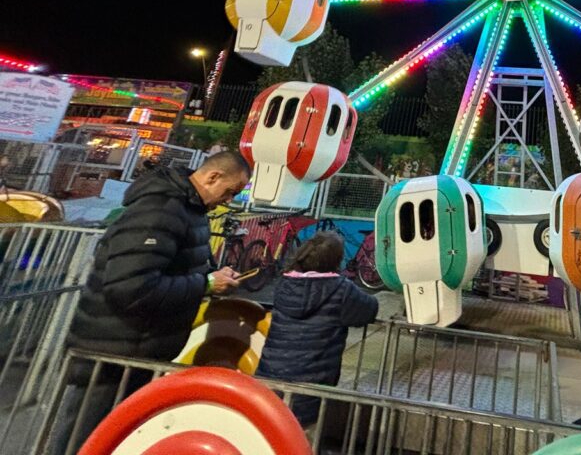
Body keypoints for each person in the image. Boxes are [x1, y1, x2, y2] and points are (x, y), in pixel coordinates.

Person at [48, 151, 251, 453]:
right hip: (113, 353)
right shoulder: (161, 210)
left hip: (138, 350)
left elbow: (172, 267)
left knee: (111, 437)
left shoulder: (188, 210)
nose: (229, 200)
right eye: (230, 191)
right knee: (86, 438)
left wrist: (210, 276)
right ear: (212, 177)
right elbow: (131, 286)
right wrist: (206, 283)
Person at [256, 232, 379, 425]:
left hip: (268, 380)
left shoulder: (285, 283)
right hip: (310, 386)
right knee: (300, 437)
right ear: (335, 260)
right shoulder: (341, 289)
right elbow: (369, 309)